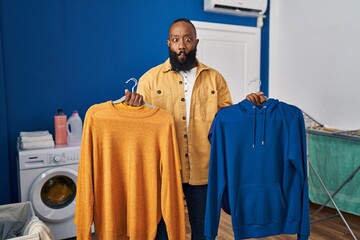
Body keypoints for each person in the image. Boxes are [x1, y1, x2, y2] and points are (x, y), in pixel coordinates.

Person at [124, 18, 266, 239]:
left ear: (196, 42)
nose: (182, 45)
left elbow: (226, 120)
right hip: (164, 168)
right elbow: (141, 128)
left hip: (203, 168)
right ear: (168, 43)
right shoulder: (149, 80)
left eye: (187, 39)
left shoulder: (215, 79)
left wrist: (246, 106)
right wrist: (133, 109)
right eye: (176, 40)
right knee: (162, 231)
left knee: (203, 230)